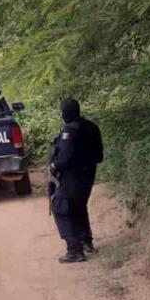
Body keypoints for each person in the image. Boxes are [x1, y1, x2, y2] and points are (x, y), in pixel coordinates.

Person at [50, 98, 104, 263]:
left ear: (65, 113)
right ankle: (85, 241)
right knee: (78, 206)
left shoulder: (70, 131)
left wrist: (54, 164)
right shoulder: (91, 127)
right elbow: (99, 156)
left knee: (61, 207)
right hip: (88, 177)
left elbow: (64, 158)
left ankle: (74, 249)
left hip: (73, 177)